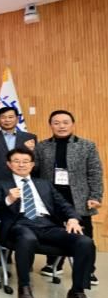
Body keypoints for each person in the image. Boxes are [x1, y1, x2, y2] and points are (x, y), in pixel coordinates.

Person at [0, 148, 99, 298]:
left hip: (47, 225)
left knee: (85, 242)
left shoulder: (44, 184)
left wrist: (73, 218)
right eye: (16, 161)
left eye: (25, 161)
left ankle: (77, 292)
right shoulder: (0, 184)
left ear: (32, 164)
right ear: (9, 165)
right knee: (27, 238)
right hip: (19, 224)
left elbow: (64, 205)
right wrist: (8, 199)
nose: (21, 164)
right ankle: (24, 287)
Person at [34, 110, 102, 284]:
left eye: (65, 122)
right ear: (50, 125)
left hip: (79, 197)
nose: (61, 126)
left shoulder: (87, 145)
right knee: (53, 231)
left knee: (85, 235)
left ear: (72, 124)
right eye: (56, 123)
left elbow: (95, 173)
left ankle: (88, 270)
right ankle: (53, 264)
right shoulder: (41, 146)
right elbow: (35, 171)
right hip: (52, 198)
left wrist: (95, 196)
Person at [0, 106, 37, 187]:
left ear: (17, 119)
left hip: (23, 182)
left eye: (10, 117)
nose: (7, 120)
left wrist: (32, 150)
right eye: (3, 117)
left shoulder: (29, 137)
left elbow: (35, 161)